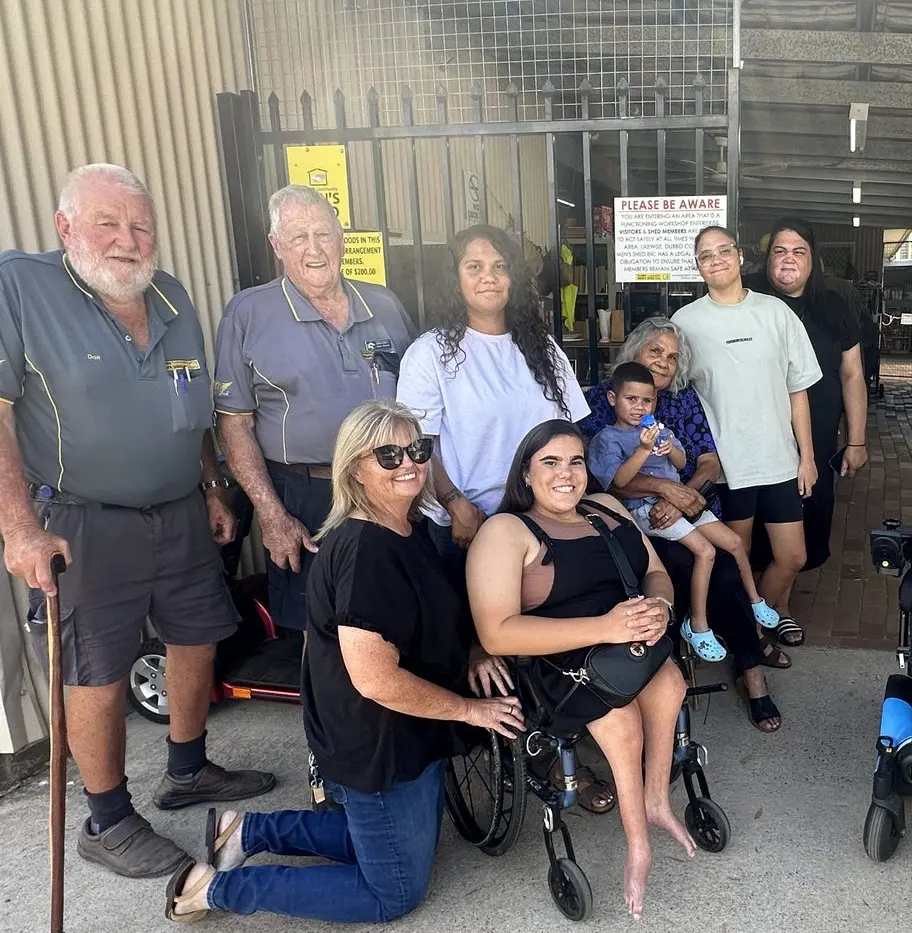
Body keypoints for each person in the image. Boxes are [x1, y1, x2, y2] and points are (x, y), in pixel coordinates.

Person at [0, 163, 274, 878]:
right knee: (95, 668)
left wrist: (213, 487)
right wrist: (19, 528)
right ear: (66, 228)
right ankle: (108, 818)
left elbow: (194, 410)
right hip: (83, 518)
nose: (127, 239)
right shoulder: (21, 287)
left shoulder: (172, 295)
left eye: (140, 225)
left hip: (179, 508)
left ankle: (187, 768)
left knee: (197, 636)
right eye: (107, 224)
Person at [164, 400, 524, 923]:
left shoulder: (408, 525)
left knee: (390, 841)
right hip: (377, 736)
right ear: (355, 465)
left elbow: (434, 611)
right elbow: (377, 680)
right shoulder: (366, 551)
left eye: (418, 450)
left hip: (409, 726)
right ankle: (216, 888)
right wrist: (470, 711)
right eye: (389, 454)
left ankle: (247, 831)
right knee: (393, 892)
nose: (409, 463)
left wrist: (471, 647)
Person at [394, 223, 613, 806]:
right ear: (455, 277)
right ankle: (521, 751)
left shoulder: (540, 349)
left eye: (499, 266)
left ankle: (560, 747)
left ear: (515, 277)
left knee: (554, 638)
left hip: (542, 521)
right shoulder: (433, 352)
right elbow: (423, 443)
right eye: (474, 266)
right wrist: (454, 502)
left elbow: (571, 432)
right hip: (467, 526)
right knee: (490, 650)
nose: (488, 276)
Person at [467, 420, 693, 918]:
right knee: (620, 719)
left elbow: (655, 569)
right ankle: (639, 843)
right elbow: (497, 633)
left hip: (627, 644)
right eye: (550, 462)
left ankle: (657, 800)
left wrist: (659, 607)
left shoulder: (607, 508)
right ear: (526, 473)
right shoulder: (506, 531)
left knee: (671, 681)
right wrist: (606, 628)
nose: (566, 473)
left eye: (575, 461)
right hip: (557, 659)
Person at [213, 184, 414, 634]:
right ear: (276, 246)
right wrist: (271, 514)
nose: (314, 249)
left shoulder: (383, 304)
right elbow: (234, 423)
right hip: (303, 494)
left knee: (392, 608)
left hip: (388, 484)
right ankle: (326, 707)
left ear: (341, 238)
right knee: (319, 625)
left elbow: (419, 402)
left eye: (323, 234)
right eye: (298, 237)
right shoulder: (249, 313)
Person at [578, 317, 787, 732]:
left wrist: (684, 494)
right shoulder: (603, 401)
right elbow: (596, 480)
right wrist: (662, 490)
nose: (663, 362)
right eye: (655, 351)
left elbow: (708, 460)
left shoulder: (681, 401)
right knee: (678, 564)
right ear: (633, 352)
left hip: (687, 506)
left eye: (672, 357)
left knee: (725, 564)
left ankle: (751, 672)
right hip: (634, 517)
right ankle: (669, 675)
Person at [673, 226, 823, 659]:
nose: (716, 259)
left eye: (724, 250)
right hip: (727, 468)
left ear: (739, 257)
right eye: (706, 255)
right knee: (733, 562)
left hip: (778, 459)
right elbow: (675, 396)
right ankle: (751, 643)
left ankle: (754, 619)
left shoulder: (775, 313)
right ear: (698, 266)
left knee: (792, 557)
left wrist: (807, 456)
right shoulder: (686, 323)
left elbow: (799, 389)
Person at [588, 361, 781, 662]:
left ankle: (756, 600)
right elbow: (619, 482)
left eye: (647, 400)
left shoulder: (657, 430)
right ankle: (698, 625)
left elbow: (680, 464)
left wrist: (669, 449)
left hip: (681, 502)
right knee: (705, 551)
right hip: (646, 509)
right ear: (614, 399)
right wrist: (642, 451)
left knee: (733, 543)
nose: (639, 407)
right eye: (631, 399)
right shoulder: (608, 438)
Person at [744, 218, 870, 628]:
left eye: (798, 251)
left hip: (814, 436)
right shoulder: (747, 299)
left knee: (807, 516)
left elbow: (852, 374)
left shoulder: (832, 305)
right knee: (759, 523)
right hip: (755, 436)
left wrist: (856, 440)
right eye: (780, 251)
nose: (788, 259)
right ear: (768, 259)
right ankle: (765, 607)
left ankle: (778, 604)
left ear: (813, 259)